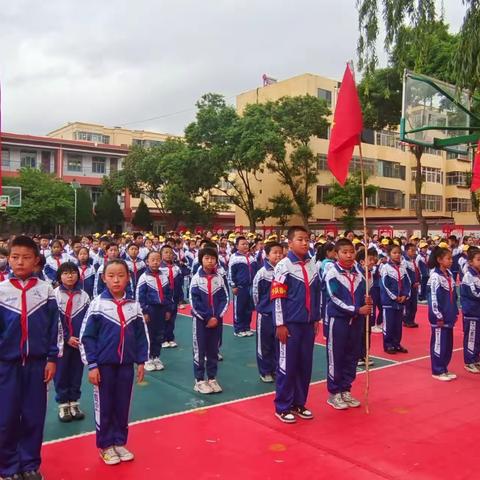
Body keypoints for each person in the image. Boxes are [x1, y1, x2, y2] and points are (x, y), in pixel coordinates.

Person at [0, 235, 60, 480]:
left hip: (37, 365)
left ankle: (30, 464)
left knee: (34, 416)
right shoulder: (1, 290)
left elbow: (55, 328)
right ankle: (8, 467)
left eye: (26, 257)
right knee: (6, 417)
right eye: (15, 257)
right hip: (7, 366)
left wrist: (52, 358)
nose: (20, 262)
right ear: (8, 259)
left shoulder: (45, 290)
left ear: (36, 260)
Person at [80, 259, 149, 465]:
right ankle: (105, 445)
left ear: (128, 278)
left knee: (122, 405)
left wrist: (142, 361)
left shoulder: (133, 305)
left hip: (126, 366)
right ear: (104, 278)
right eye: (111, 276)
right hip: (103, 366)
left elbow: (140, 335)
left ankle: (119, 441)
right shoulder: (97, 305)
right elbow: (87, 337)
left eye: (121, 275)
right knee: (105, 406)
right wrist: (92, 365)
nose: (116, 280)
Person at [272, 226, 321, 424]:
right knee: (287, 365)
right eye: (299, 239)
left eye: (307, 239)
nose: (304, 242)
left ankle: (299, 402)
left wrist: (316, 318)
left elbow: (317, 295)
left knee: (304, 365)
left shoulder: (312, 265)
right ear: (289, 242)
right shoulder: (283, 266)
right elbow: (277, 297)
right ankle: (283, 406)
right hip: (290, 324)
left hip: (308, 324)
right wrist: (280, 324)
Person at [325, 239, 372, 409]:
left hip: (356, 322)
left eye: (351, 252)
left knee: (351, 356)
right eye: (344, 252)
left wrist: (366, 301)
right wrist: (356, 309)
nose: (349, 255)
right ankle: (334, 393)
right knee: (336, 357)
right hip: (339, 321)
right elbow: (334, 298)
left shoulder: (359, 274)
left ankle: (346, 389)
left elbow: (362, 296)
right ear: (336, 254)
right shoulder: (332, 273)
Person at [54, 262, 90, 422]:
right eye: (66, 273)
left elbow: (88, 319)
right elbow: (54, 320)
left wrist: (81, 338)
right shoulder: (54, 294)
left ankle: (74, 402)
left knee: (76, 371)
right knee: (61, 373)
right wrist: (67, 337)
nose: (70, 276)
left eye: (73, 273)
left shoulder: (84, 296)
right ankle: (63, 404)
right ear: (60, 276)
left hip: (78, 342)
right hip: (60, 342)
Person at [189, 247, 229, 394]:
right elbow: (194, 302)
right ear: (201, 260)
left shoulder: (219, 278)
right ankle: (199, 380)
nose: (210, 261)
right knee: (199, 350)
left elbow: (225, 298)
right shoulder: (196, 279)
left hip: (216, 321)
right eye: (207, 258)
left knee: (213, 350)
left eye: (213, 258)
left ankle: (212, 378)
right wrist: (207, 317)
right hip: (201, 321)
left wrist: (217, 317)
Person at [136, 251, 173, 372]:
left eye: (158, 259)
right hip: (150, 309)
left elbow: (168, 294)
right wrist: (144, 311)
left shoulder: (163, 276)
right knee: (149, 334)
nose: (156, 262)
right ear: (147, 262)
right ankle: (147, 358)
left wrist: (168, 309)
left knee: (159, 334)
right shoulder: (144, 277)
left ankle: (156, 356)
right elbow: (140, 296)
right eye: (153, 259)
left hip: (161, 309)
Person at [252, 241, 283, 383]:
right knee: (264, 344)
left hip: (281, 316)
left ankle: (277, 369)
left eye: (280, 252)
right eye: (274, 252)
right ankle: (265, 371)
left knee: (279, 344)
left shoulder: (284, 271)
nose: (278, 255)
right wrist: (263, 308)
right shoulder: (262, 273)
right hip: (265, 315)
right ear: (267, 254)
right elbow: (256, 294)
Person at [427, 247, 458, 381]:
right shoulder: (435, 277)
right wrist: (438, 314)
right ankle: (437, 370)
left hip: (449, 315)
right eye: (448, 258)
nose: (451, 261)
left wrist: (455, 311)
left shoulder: (449, 275)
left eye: (451, 258)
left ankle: (444, 367)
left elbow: (454, 296)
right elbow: (433, 297)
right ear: (440, 260)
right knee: (439, 343)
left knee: (448, 345)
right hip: (439, 317)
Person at [380, 244, 410, 354]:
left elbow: (407, 283)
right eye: (394, 253)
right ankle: (388, 345)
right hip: (389, 303)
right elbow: (384, 285)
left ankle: (396, 343)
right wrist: (394, 297)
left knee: (398, 325)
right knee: (389, 324)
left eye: (399, 253)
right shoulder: (385, 268)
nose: (397, 255)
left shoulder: (403, 268)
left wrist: (405, 295)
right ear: (389, 254)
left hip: (400, 302)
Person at [228, 236, 257, 337]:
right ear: (237, 246)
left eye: (246, 244)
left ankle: (247, 327)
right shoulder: (234, 258)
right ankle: (238, 329)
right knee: (239, 309)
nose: (245, 246)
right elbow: (231, 273)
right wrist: (233, 285)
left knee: (249, 308)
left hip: (251, 287)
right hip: (240, 287)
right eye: (243, 244)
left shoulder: (251, 257)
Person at [459, 247, 480, 374]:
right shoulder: (469, 276)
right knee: (471, 337)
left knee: (478, 337)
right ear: (470, 262)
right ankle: (469, 361)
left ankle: (476, 358)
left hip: (478, 312)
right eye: (478, 260)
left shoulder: (478, 275)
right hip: (471, 312)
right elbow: (474, 293)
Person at [160, 245, 184, 348]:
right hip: (164, 298)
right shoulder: (159, 268)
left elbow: (179, 284)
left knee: (172, 319)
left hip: (174, 298)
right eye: (166, 252)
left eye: (170, 253)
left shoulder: (176, 268)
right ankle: (163, 339)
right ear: (161, 255)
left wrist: (180, 298)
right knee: (163, 318)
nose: (169, 255)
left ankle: (170, 338)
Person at [403, 243, 420, 328]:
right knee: (408, 304)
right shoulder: (404, 262)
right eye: (412, 250)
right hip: (409, 287)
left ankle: (411, 320)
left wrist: (418, 281)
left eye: (415, 250)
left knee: (414, 305)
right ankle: (407, 320)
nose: (414, 252)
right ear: (406, 251)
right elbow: (406, 275)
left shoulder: (413, 261)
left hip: (415, 286)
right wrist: (412, 283)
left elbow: (417, 273)